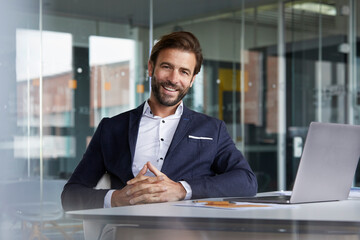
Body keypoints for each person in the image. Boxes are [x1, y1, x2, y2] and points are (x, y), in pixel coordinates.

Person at [61, 31, 257, 211]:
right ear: (150, 68)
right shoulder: (112, 128)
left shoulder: (212, 129)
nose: (173, 78)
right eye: (166, 67)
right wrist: (116, 199)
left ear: (192, 80)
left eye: (184, 72)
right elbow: (70, 196)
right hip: (129, 228)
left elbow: (246, 182)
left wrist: (182, 190)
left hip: (189, 229)